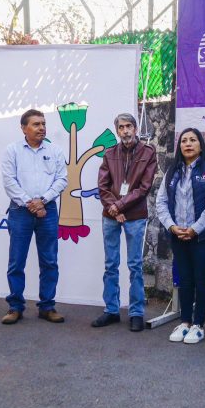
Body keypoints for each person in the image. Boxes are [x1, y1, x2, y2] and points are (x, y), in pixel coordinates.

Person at [156, 128, 205, 344]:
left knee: (200, 278)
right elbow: (161, 202)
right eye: (184, 140)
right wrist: (172, 226)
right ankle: (185, 322)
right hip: (178, 234)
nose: (188, 144)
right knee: (185, 278)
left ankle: (198, 325)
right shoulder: (172, 171)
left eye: (193, 140)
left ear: (200, 145)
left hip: (203, 236)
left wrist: (195, 229)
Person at [1, 109, 68, 325]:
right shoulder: (12, 151)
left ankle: (47, 307)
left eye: (43, 124)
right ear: (24, 128)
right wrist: (30, 203)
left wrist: (43, 200)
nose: (42, 128)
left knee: (49, 261)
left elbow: (62, 180)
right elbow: (9, 181)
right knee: (16, 261)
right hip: (20, 211)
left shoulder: (55, 151)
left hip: (47, 211)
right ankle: (15, 307)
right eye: (36, 124)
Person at [91, 113, 157, 332]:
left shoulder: (148, 152)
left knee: (135, 265)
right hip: (111, 215)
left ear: (135, 128)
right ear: (117, 131)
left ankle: (136, 312)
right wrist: (114, 207)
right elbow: (103, 186)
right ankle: (111, 310)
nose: (125, 131)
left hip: (135, 215)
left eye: (129, 126)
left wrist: (119, 206)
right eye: (121, 127)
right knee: (110, 264)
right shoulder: (109, 153)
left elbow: (144, 188)